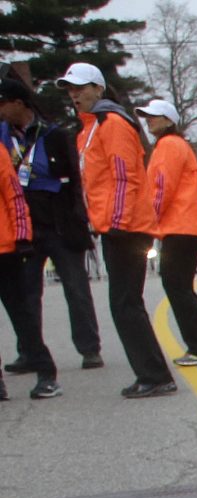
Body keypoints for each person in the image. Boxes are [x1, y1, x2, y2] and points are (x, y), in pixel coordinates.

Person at [63, 63, 171, 398]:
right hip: (114, 225)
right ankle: (152, 374)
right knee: (124, 304)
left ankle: (155, 375)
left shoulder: (112, 123)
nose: (74, 94)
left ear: (99, 88)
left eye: (81, 88)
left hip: (126, 227)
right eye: (70, 89)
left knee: (125, 304)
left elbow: (125, 176)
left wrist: (118, 223)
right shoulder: (91, 128)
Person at [2, 75, 101, 374]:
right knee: (26, 294)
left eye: (2, 104)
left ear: (19, 103)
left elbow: (76, 181)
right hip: (25, 227)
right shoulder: (3, 137)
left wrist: (80, 219)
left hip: (60, 223)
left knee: (76, 289)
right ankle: (30, 352)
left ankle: (89, 348)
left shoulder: (54, 134)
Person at [140, 99, 197, 369]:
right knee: (181, 287)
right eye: (147, 116)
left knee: (177, 286)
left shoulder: (169, 145)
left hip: (181, 225)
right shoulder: (175, 145)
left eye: (154, 116)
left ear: (169, 120)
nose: (149, 120)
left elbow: (162, 186)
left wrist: (149, 221)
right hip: (187, 225)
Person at [0, 76, 61, 397]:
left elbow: (14, 196)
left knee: (22, 315)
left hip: (5, 248)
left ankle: (46, 373)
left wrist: (23, 237)